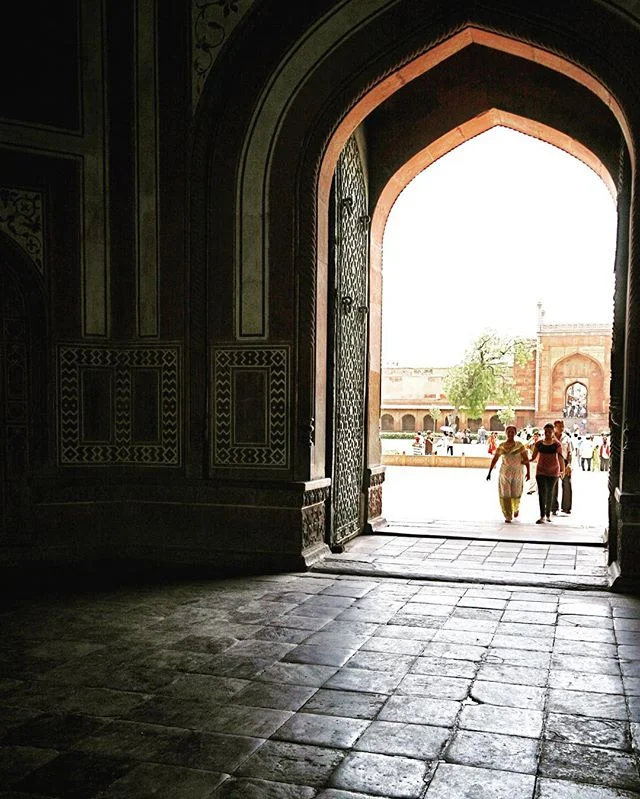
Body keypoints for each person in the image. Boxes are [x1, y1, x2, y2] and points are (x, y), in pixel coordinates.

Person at [486, 424, 530, 523]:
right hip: (505, 473)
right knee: (505, 494)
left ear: (515, 433)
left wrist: (528, 472)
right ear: (506, 433)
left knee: (516, 492)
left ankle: (515, 508)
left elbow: (526, 460)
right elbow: (495, 459)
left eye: (512, 432)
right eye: (508, 432)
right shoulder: (502, 446)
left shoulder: (519, 445)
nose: (510, 434)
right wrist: (489, 472)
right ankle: (508, 515)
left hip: (517, 472)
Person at [531, 422, 565, 523]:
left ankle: (548, 515)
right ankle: (542, 515)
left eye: (550, 431)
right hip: (541, 470)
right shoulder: (539, 443)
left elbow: (560, 457)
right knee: (542, 493)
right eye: (546, 431)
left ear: (553, 432)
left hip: (553, 471)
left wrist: (562, 470)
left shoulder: (556, 444)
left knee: (550, 493)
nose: (548, 433)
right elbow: (533, 456)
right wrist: (526, 460)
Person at [551, 419, 572, 515]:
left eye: (562, 426)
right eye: (559, 426)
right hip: (553, 463)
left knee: (567, 485)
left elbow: (570, 452)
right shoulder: (550, 438)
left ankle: (566, 507)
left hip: (564, 462)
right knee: (553, 486)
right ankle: (553, 507)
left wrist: (569, 464)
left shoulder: (566, 438)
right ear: (554, 427)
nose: (561, 428)